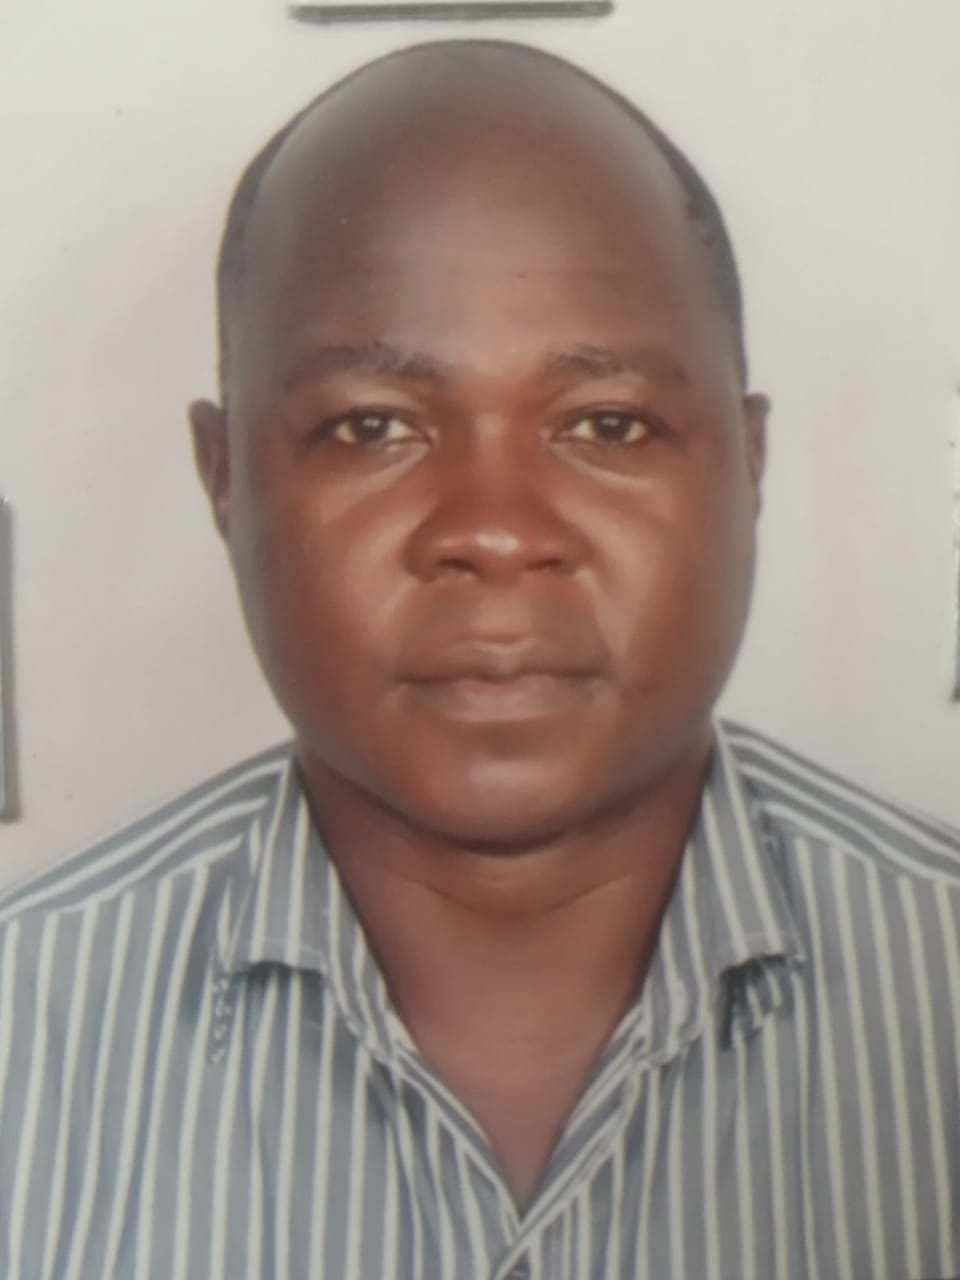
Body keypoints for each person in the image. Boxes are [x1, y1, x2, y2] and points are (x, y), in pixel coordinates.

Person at [0, 39, 957, 1280]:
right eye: (373, 427)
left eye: (608, 424)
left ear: (749, 460)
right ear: (223, 474)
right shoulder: (26, 1025)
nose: (495, 529)